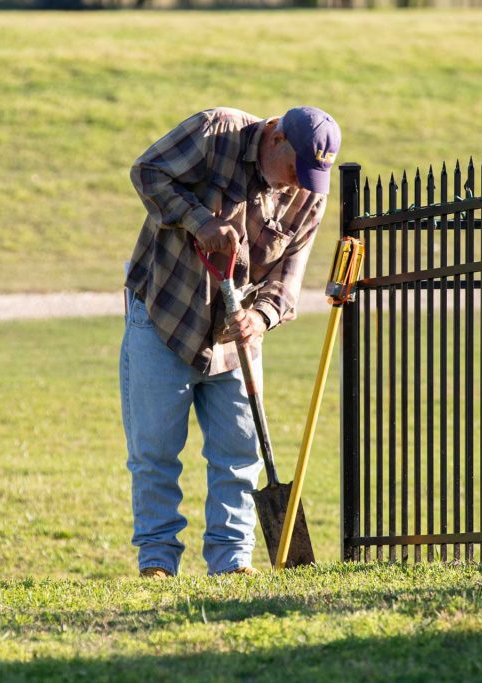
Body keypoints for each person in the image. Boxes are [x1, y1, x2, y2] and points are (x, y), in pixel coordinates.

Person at [121, 106, 341, 578]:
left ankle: (232, 562)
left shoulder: (309, 195)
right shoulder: (216, 131)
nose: (298, 183)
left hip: (236, 335)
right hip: (165, 311)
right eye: (294, 169)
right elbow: (148, 172)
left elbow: (288, 281)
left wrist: (261, 318)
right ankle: (157, 562)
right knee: (155, 449)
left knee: (240, 452)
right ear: (275, 135)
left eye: (310, 176)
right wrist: (197, 219)